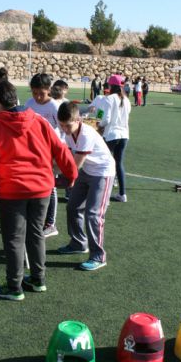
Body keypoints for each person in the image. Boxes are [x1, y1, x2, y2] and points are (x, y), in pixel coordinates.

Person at [0, 81, 77, 301]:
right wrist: (71, 175)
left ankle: (14, 286)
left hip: (12, 190)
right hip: (41, 189)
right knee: (36, 234)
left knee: (14, 239)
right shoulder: (40, 121)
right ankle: (37, 279)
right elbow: (61, 150)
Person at [56, 102, 115, 271]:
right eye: (61, 125)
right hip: (87, 171)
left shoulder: (87, 134)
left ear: (78, 119)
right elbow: (66, 159)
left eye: (67, 125)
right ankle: (78, 243)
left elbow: (74, 167)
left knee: (93, 214)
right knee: (72, 207)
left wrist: (55, 177)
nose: (64, 129)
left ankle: (98, 256)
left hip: (102, 172)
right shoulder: (69, 134)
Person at [24, 73, 62, 238]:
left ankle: (50, 223)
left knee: (50, 185)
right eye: (35, 93)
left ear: (49, 90)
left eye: (42, 93)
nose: (38, 97)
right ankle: (35, 217)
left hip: (50, 152)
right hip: (32, 151)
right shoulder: (29, 104)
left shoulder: (54, 107)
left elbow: (62, 130)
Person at [99, 74, 131, 203]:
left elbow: (105, 119)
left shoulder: (109, 99)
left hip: (111, 134)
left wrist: (98, 125)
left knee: (104, 163)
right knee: (119, 163)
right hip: (124, 135)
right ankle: (122, 194)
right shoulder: (127, 100)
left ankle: (102, 192)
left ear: (111, 85)